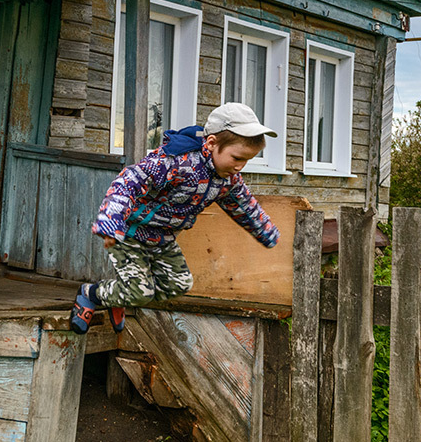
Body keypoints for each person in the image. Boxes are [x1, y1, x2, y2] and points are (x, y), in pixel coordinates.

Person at [70, 102, 281, 333]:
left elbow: (244, 206)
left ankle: (120, 296)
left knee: (179, 284)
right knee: (140, 292)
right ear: (211, 144)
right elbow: (128, 182)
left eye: (247, 160)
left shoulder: (227, 179)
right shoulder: (176, 162)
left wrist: (267, 233)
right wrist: (111, 222)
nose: (240, 167)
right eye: (237, 158)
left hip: (163, 239)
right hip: (129, 234)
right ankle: (91, 294)